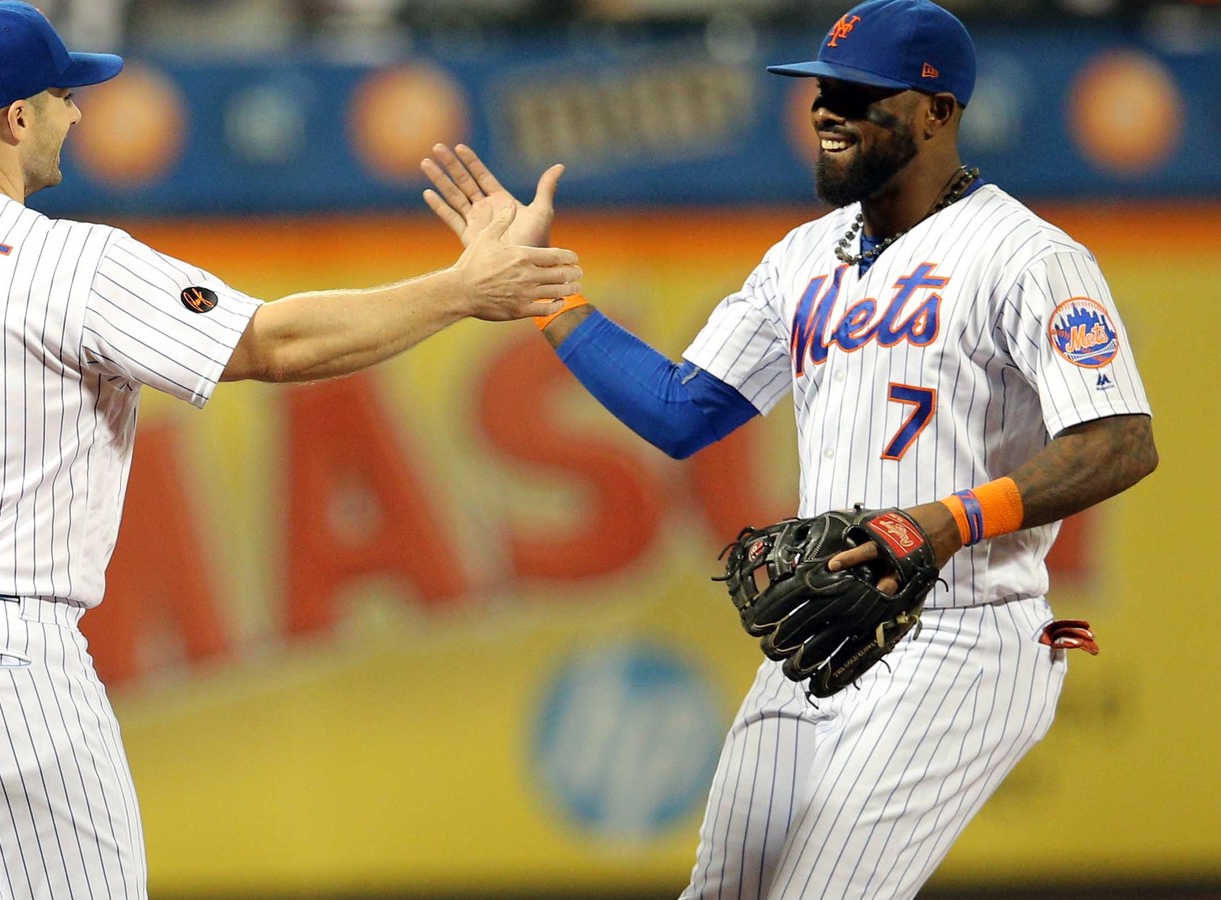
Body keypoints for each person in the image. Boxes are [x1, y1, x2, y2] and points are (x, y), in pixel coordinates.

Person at [0, 2, 580, 897]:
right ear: (17, 117)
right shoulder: (68, 262)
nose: (77, 112)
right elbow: (270, 345)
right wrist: (460, 291)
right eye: (65, 94)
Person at [421, 0, 1156, 896]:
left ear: (937, 111)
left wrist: (949, 519)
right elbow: (680, 412)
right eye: (820, 90)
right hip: (829, 633)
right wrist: (544, 293)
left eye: (857, 93)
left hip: (970, 636)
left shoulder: (1028, 256)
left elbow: (1120, 441)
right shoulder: (801, 259)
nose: (825, 110)